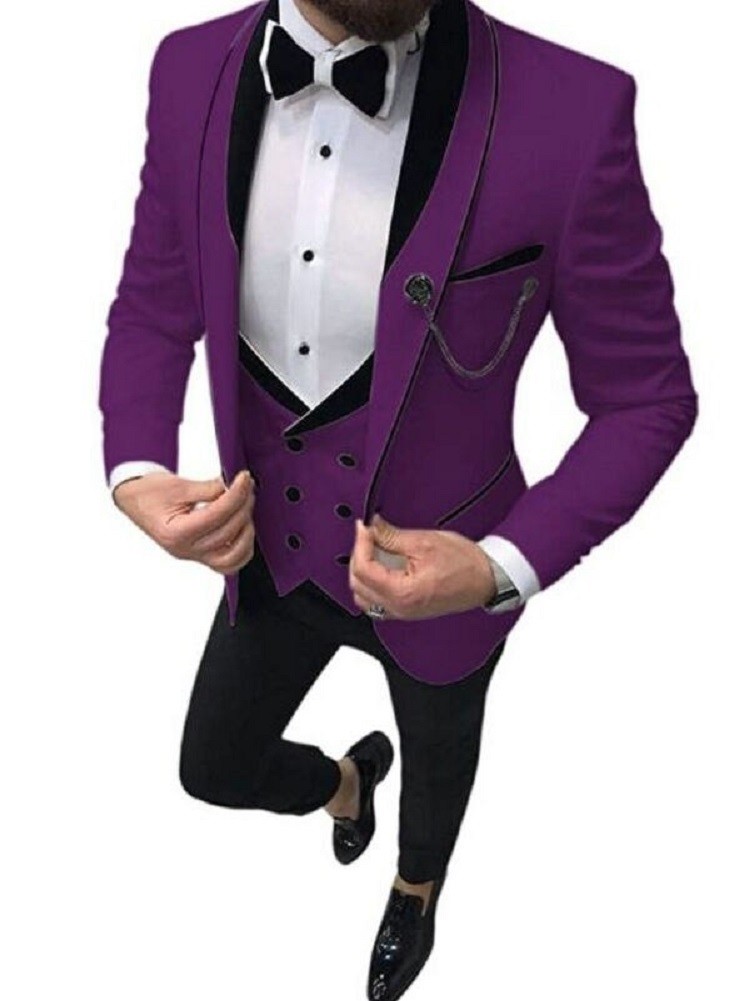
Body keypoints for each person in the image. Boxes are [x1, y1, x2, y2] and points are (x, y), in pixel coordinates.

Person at [98, 0, 698, 997]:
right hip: (272, 552)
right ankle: (346, 782)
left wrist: (502, 564)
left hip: (453, 581)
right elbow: (155, 307)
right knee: (213, 766)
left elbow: (647, 398)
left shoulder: (575, 108)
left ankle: (416, 890)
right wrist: (134, 467)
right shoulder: (187, 69)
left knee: (439, 779)